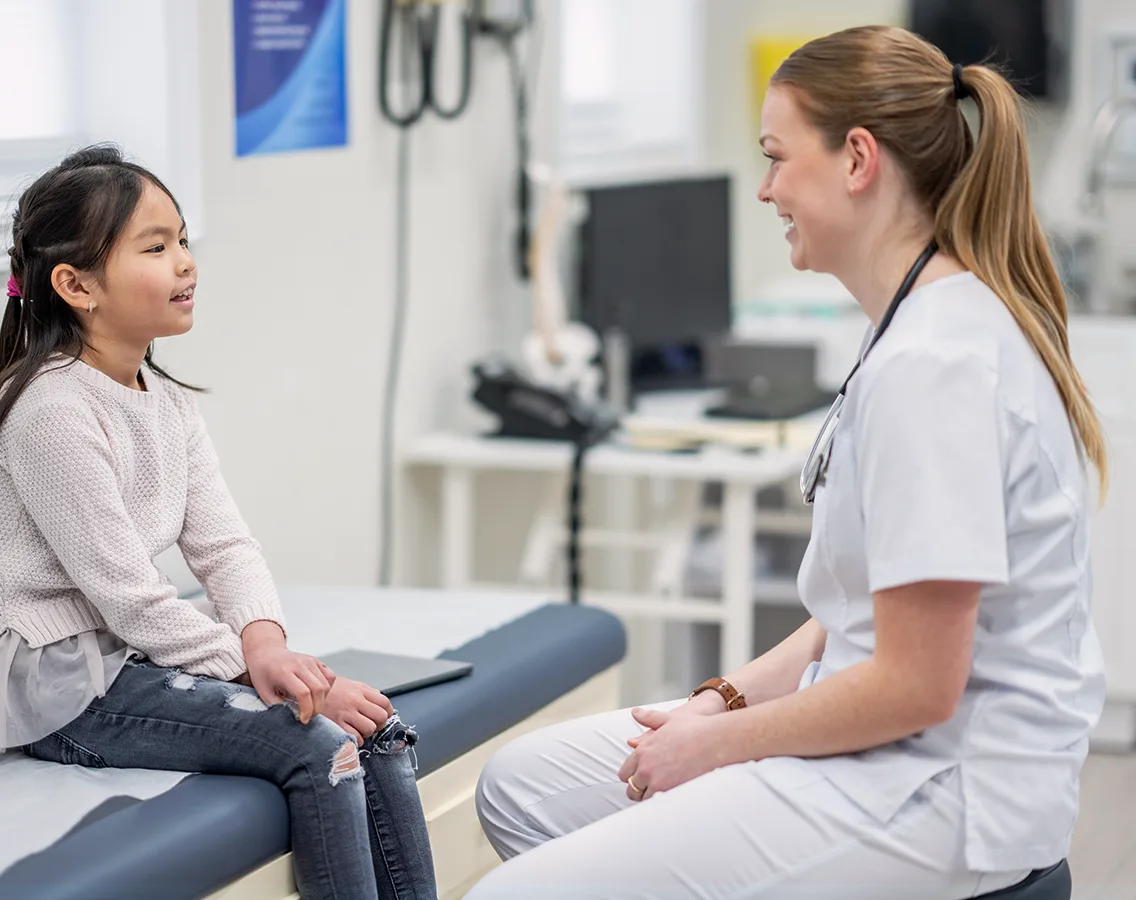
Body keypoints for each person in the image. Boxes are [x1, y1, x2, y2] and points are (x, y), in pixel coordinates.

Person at [469, 25, 1106, 899]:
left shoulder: (935, 368)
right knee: (522, 785)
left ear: (856, 160)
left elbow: (918, 686)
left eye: (776, 156)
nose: (766, 188)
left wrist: (715, 745)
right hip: (888, 748)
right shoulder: (914, 327)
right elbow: (859, 607)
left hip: (943, 787)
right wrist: (721, 700)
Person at [0, 145, 438, 900]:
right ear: (75, 285)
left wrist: (267, 643)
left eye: (182, 239)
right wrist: (255, 671)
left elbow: (224, 544)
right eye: (157, 246)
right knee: (321, 745)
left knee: (377, 730)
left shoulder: (165, 399)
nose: (186, 263)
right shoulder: (49, 412)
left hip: (131, 655)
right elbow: (128, 596)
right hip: (62, 688)